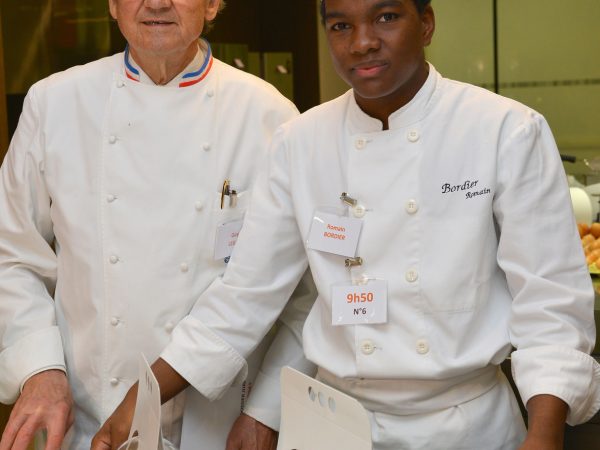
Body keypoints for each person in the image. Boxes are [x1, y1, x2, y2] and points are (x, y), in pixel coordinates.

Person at [96, 0, 600, 449]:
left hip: (467, 425)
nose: (362, 42)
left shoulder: (504, 131)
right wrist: (141, 399)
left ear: (425, 24)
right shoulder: (299, 143)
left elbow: (550, 304)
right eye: (340, 25)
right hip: (334, 425)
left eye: (386, 17)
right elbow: (243, 297)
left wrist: (545, 434)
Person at [0, 0, 316, 449]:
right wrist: (39, 369)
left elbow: (303, 294)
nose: (156, 3)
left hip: (219, 425)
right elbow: (11, 254)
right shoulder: (55, 102)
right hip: (90, 417)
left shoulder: (269, 115)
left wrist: (266, 411)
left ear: (212, 5)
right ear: (112, 5)